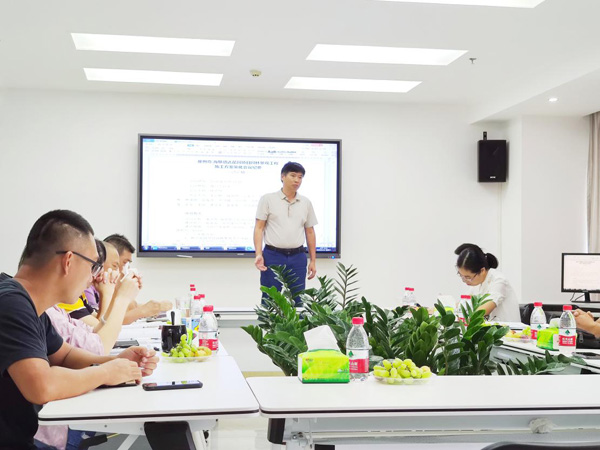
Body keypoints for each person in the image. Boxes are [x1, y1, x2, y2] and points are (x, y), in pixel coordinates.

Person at [0, 210, 158, 449]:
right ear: (69, 261)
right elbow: (42, 386)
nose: (94, 278)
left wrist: (115, 362)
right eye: (93, 266)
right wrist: (106, 373)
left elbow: (64, 355)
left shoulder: (29, 304)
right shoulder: (11, 303)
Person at [253, 162, 318, 303]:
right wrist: (258, 254)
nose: (297, 180)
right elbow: (259, 228)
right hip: (273, 255)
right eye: (293, 176)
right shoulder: (268, 199)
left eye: (300, 177)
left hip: (298, 256)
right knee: (270, 299)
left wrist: (313, 260)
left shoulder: (305, 202)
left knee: (298, 300)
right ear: (282, 176)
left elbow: (310, 232)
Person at [103, 234, 172, 322]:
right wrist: (142, 310)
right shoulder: (97, 286)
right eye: (124, 263)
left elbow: (128, 308)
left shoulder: (110, 284)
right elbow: (109, 320)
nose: (126, 269)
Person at [454, 243, 521, 322]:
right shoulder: (476, 284)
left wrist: (463, 319)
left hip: (508, 329)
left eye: (468, 277)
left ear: (482, 271)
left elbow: (482, 311)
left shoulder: (499, 280)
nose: (464, 280)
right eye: (461, 276)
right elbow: (461, 305)